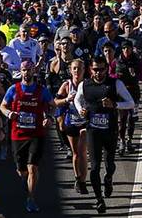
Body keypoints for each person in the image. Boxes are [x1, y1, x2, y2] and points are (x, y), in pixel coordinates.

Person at [74, 55, 136, 213]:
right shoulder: (85, 84)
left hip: (110, 131)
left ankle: (108, 179)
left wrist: (115, 104)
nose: (98, 73)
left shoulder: (115, 84)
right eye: (95, 69)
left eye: (101, 69)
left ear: (107, 69)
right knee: (94, 167)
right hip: (93, 131)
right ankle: (99, 199)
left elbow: (131, 102)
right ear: (90, 69)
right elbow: (76, 99)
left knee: (109, 165)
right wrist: (80, 109)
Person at [0, 59, 52, 213]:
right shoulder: (13, 89)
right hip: (18, 134)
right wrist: (9, 113)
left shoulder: (42, 90)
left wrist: (48, 117)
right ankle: (24, 179)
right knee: (21, 169)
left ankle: (31, 198)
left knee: (32, 167)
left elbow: (52, 105)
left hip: (36, 134)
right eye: (23, 70)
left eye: (29, 69)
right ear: (20, 72)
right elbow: (3, 106)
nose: (26, 72)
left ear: (34, 71)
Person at [54, 59, 89, 195]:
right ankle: (77, 177)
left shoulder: (87, 84)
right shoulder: (66, 85)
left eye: (79, 68)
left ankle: (83, 181)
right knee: (76, 154)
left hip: (84, 122)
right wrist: (66, 100)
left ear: (84, 70)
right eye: (74, 68)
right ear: (70, 70)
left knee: (83, 152)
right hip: (72, 122)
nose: (76, 71)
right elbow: (55, 102)